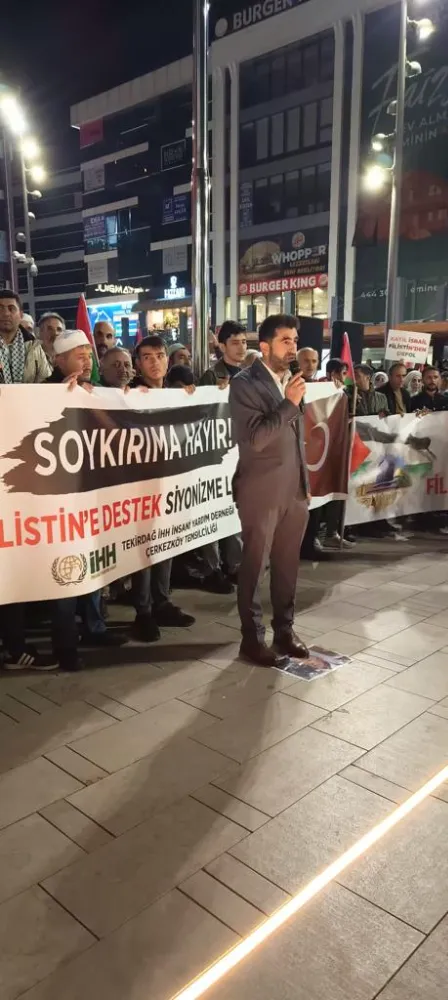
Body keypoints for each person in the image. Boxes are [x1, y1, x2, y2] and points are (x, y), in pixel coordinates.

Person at [229, 313, 309, 667]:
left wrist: (304, 484)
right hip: (260, 490)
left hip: (294, 489)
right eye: (285, 341)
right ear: (264, 346)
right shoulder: (244, 384)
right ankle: (252, 638)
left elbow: (296, 438)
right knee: (255, 564)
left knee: (287, 564)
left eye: (295, 340)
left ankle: (285, 631)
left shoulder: (292, 380)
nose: (293, 347)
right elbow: (257, 439)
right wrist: (289, 403)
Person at [0, 290, 51, 383]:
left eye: (11, 309)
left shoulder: (34, 346)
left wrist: (65, 384)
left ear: (20, 315)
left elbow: (45, 382)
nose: (6, 313)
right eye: (0, 308)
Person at [200, 320, 247, 385]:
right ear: (222, 347)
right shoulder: (211, 377)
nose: (242, 348)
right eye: (235, 343)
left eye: (243, 342)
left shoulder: (248, 374)